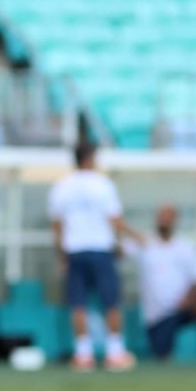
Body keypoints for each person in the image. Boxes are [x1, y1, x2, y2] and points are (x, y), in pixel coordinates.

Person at [48, 141, 141, 371]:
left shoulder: (62, 186)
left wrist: (62, 255)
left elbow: (57, 226)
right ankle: (115, 352)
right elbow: (115, 221)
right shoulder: (103, 184)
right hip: (100, 249)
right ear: (90, 158)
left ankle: (83, 354)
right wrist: (130, 238)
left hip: (75, 250)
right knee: (111, 301)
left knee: (77, 303)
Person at [125, 205, 196, 363]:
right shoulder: (144, 244)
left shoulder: (187, 247)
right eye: (162, 216)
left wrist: (187, 297)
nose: (165, 220)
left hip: (182, 308)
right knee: (161, 354)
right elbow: (118, 250)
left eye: (169, 216)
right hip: (157, 316)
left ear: (175, 220)